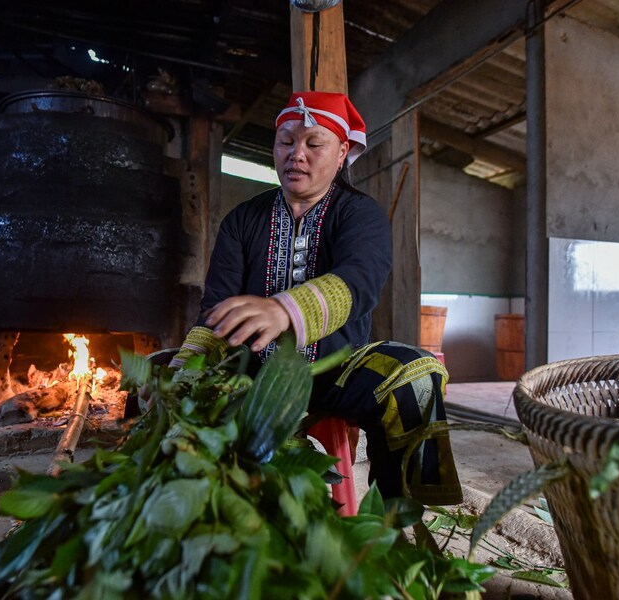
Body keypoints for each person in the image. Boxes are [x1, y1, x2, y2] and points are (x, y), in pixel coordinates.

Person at [171, 91, 461, 504]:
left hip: (337, 370)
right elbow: (216, 307)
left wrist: (283, 309)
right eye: (286, 142)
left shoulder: (361, 214)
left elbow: (359, 281)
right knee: (171, 379)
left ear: (341, 152)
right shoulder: (242, 221)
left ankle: (401, 517)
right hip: (255, 373)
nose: (296, 154)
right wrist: (183, 370)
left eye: (313, 143)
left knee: (415, 374)